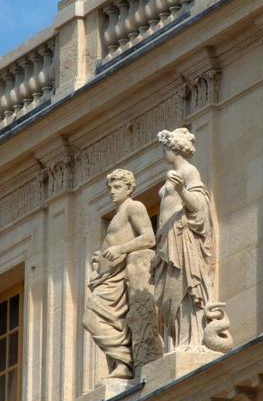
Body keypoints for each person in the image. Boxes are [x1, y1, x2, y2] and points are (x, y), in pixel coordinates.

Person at [83, 169, 156, 379]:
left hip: (119, 277)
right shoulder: (117, 215)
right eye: (110, 188)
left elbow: (149, 238)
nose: (112, 192)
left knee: (90, 318)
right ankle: (122, 363)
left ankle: (125, 359)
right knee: (106, 321)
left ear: (130, 188)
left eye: (118, 187)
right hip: (108, 277)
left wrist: (120, 249)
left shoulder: (134, 207)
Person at [153, 128, 216, 352]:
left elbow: (199, 205)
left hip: (182, 238)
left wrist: (181, 190)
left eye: (166, 149)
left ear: (175, 149)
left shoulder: (189, 171)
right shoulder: (175, 173)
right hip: (167, 239)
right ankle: (179, 339)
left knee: (186, 286)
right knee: (169, 290)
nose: (164, 154)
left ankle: (190, 339)